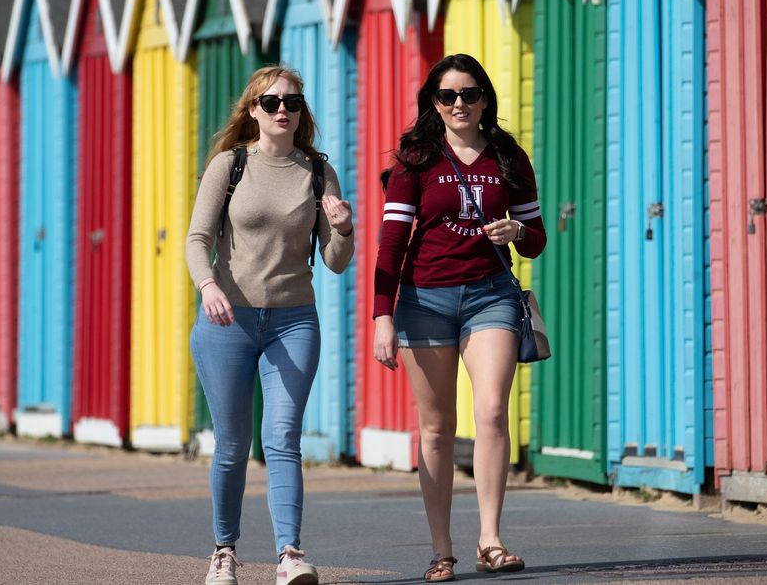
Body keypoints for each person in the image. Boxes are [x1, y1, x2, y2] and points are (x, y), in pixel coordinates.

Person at [372, 54, 546, 582]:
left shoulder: (508, 156)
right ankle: (441, 549)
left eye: (469, 94)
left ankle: (490, 540)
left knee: (492, 411)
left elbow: (537, 240)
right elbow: (391, 244)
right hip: (424, 301)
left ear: (485, 99)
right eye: (447, 96)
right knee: (437, 427)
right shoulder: (415, 161)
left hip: (490, 296)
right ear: (434, 103)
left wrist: (517, 232)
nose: (459, 105)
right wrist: (383, 317)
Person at [186, 65, 355, 585]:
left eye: (293, 103)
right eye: (272, 102)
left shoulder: (318, 172)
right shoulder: (230, 165)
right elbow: (197, 240)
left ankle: (289, 555)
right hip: (228, 319)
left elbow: (335, 261)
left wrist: (345, 229)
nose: (284, 110)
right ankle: (224, 552)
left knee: (282, 436)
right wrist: (208, 288)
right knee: (233, 442)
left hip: (293, 321)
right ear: (253, 110)